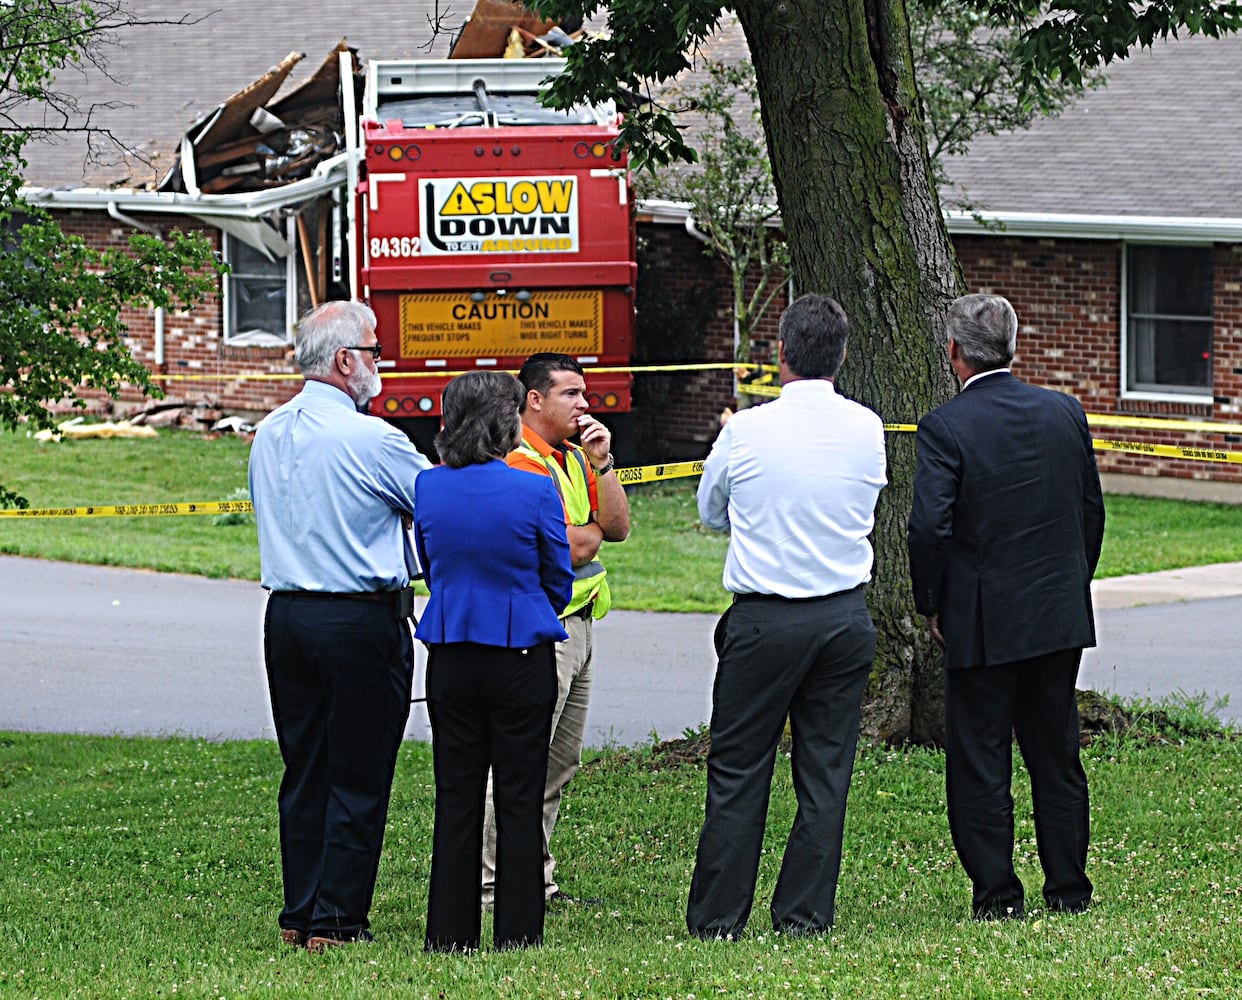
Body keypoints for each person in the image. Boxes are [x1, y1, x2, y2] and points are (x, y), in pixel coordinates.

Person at [686, 293, 888, 939]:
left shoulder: (745, 430)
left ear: (779, 355)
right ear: (843, 354)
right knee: (826, 770)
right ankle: (804, 915)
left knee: (740, 768)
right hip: (843, 616)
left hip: (766, 618)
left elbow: (712, 510)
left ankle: (719, 918)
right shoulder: (867, 427)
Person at [907, 293, 1105, 921]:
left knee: (980, 762)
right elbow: (1090, 512)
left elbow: (929, 530)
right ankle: (1069, 889)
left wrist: (930, 605)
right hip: (1056, 614)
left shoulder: (945, 427)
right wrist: (1073, 582)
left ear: (955, 352)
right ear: (1013, 346)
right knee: (1057, 754)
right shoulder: (1065, 412)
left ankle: (997, 896)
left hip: (982, 622)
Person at [247, 299, 431, 952]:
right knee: (359, 769)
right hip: (357, 615)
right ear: (346, 360)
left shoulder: (268, 432)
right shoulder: (372, 439)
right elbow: (436, 505)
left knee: (305, 769)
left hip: (288, 613)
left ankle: (301, 911)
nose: (382, 364)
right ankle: (337, 920)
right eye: (375, 351)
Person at [414, 370, 573, 951]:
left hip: (452, 654)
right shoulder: (532, 488)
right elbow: (558, 576)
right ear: (505, 421)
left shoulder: (428, 487)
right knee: (520, 794)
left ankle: (450, 934)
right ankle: (518, 931)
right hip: (521, 654)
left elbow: (430, 567)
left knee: (456, 795)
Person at [480, 352, 631, 908]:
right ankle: (493, 889)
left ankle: (537, 882)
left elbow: (614, 529)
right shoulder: (520, 460)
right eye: (571, 394)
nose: (584, 405)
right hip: (541, 632)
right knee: (519, 763)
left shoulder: (574, 457)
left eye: (584, 394)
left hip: (582, 626)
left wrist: (604, 463)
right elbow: (568, 547)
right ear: (534, 400)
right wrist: (584, 530)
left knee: (557, 764)